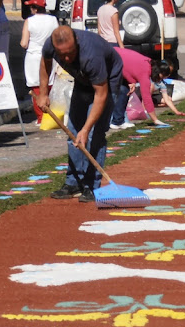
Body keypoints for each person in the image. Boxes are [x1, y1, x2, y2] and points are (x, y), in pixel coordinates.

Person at [37, 26, 123, 203]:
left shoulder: (91, 55)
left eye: (70, 53)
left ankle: (91, 185)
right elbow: (45, 63)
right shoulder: (50, 45)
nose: (67, 59)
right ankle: (73, 182)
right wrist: (44, 93)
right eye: (62, 55)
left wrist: (87, 128)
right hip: (82, 81)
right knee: (73, 132)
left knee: (93, 135)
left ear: (76, 42)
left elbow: (101, 94)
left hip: (105, 83)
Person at [111, 48, 174, 128]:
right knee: (113, 91)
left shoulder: (150, 63)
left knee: (125, 90)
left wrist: (131, 81)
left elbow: (129, 68)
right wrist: (155, 120)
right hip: (109, 59)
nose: (160, 80)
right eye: (161, 77)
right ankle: (109, 121)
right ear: (158, 72)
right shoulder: (145, 73)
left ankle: (118, 121)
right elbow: (146, 97)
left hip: (116, 60)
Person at [20, 0, 59, 125]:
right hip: (50, 55)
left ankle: (41, 118)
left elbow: (24, 43)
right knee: (49, 83)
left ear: (35, 8)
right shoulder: (53, 20)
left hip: (33, 56)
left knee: (35, 86)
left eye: (31, 7)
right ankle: (50, 116)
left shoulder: (29, 21)